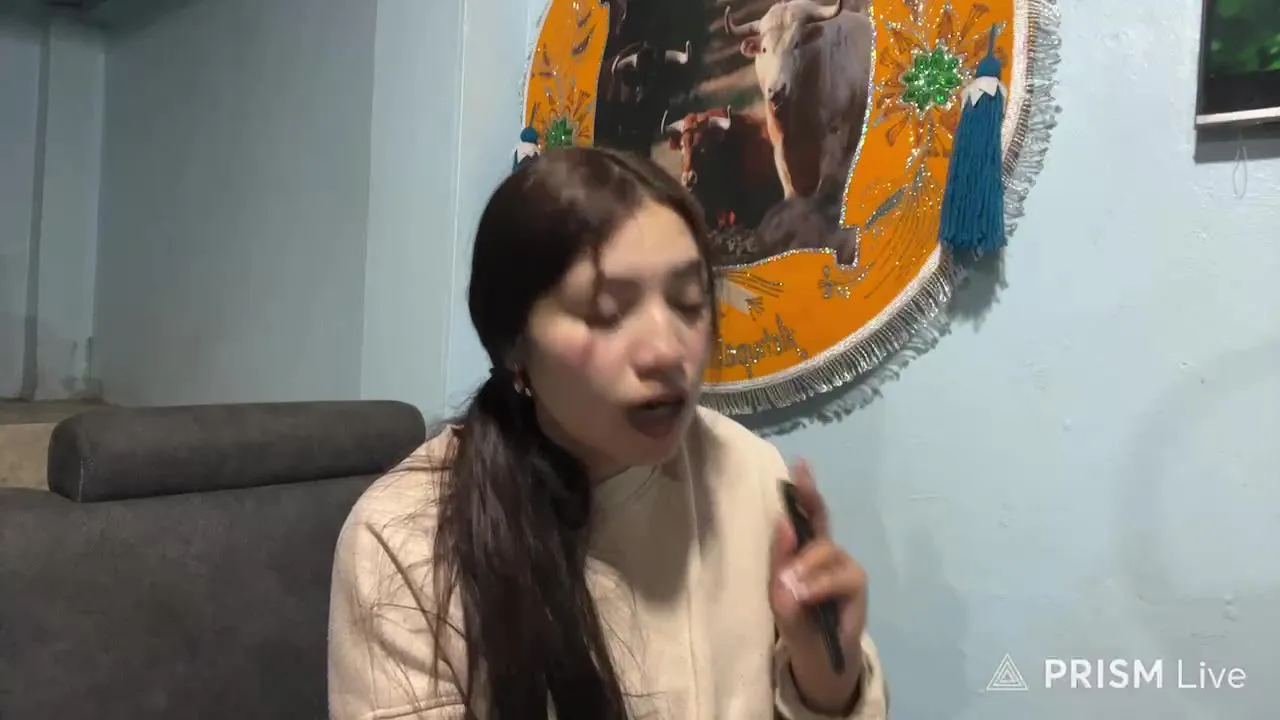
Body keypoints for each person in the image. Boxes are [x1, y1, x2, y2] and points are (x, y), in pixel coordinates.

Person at [327, 146, 889, 719]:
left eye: (689, 302)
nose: (667, 351)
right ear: (515, 347)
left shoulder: (748, 473)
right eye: (606, 313)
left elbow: (831, 683)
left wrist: (825, 680)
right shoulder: (404, 538)